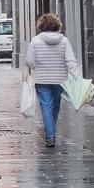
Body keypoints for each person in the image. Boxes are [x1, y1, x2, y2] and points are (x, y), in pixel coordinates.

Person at [25, 13, 79, 148]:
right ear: (56, 25)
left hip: (42, 80)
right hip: (60, 80)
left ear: (41, 26)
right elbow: (70, 61)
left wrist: (37, 65)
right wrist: (77, 77)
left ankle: (50, 136)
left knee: (46, 107)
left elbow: (30, 62)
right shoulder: (64, 41)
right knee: (55, 107)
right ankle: (51, 132)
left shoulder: (35, 41)